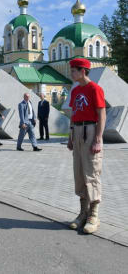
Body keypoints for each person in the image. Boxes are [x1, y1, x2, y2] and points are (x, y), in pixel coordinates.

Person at [67, 58, 105, 234]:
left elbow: (101, 114)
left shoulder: (95, 89)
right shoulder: (75, 91)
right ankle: (83, 212)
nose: (71, 73)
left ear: (83, 71)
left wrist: (98, 138)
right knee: (79, 173)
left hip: (90, 131)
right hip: (77, 131)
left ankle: (94, 215)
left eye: (73, 70)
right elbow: (73, 114)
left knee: (92, 172)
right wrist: (70, 137)